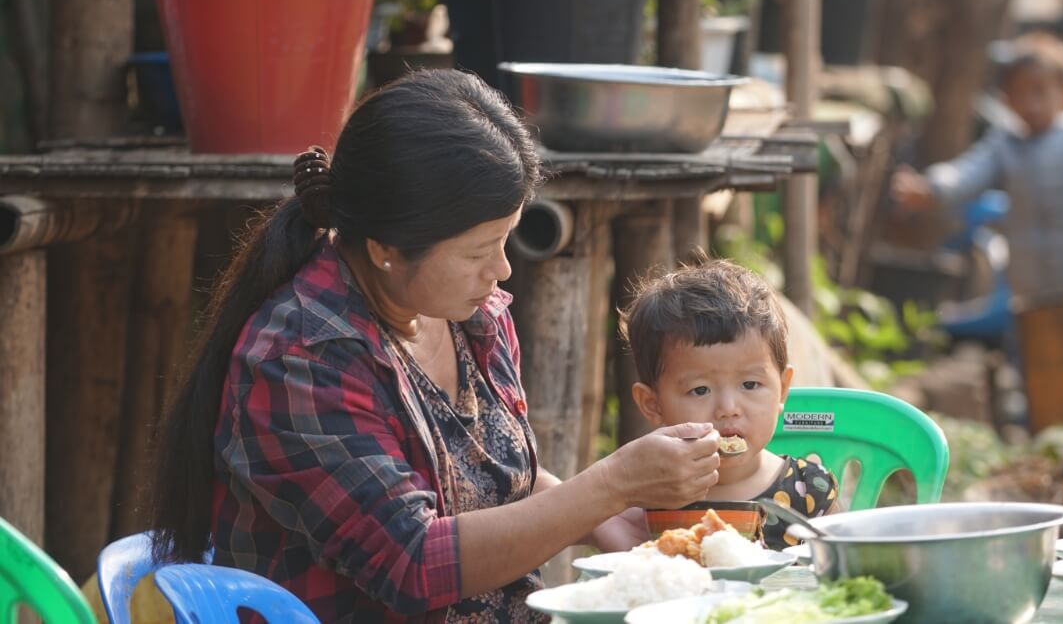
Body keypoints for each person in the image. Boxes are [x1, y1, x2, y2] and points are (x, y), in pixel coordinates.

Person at [149, 69, 722, 623]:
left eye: (504, 241)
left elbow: (485, 479)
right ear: (385, 248)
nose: (500, 270)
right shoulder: (303, 359)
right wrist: (609, 484)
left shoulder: (472, 316)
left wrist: (606, 516)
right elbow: (411, 565)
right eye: (479, 251)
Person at [891, 32, 1063, 303]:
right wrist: (931, 188)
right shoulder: (1004, 145)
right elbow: (966, 173)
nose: (1031, 104)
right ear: (1007, 98)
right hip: (1030, 293)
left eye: (1040, 91)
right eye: (1020, 93)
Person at [621, 258, 840, 548]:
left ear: (783, 389)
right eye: (700, 390)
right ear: (653, 405)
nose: (728, 408)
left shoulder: (811, 490)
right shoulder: (647, 495)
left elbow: (845, 570)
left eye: (750, 385)